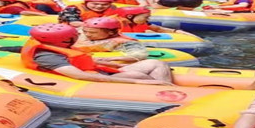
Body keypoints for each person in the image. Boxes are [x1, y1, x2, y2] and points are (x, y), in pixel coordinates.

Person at [19, 23, 173, 84]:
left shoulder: (53, 44)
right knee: (137, 76)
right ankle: (162, 90)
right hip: (90, 79)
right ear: (64, 40)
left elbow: (81, 60)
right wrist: (140, 82)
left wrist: (112, 63)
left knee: (157, 63)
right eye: (75, 35)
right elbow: (80, 75)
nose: (79, 36)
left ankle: (168, 89)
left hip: (97, 70)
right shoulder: (47, 55)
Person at [73, 17, 175, 77]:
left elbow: (139, 54)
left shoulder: (123, 42)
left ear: (111, 32)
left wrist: (112, 59)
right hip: (81, 67)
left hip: (106, 70)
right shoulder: (79, 34)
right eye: (86, 31)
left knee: (152, 67)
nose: (88, 34)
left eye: (93, 32)